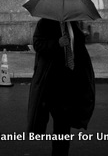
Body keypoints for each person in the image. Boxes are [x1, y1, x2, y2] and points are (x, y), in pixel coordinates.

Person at [27, 18, 95, 155]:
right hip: (53, 82)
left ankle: (61, 152)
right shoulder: (44, 23)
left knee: (64, 125)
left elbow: (77, 47)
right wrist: (57, 43)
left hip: (70, 82)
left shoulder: (72, 23)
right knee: (60, 122)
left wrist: (82, 35)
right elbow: (37, 44)